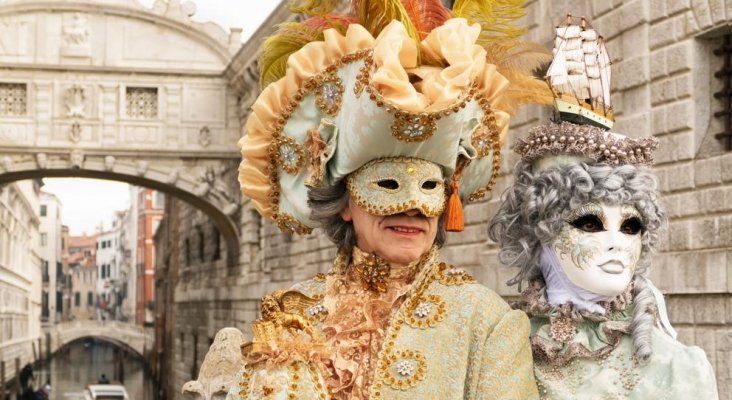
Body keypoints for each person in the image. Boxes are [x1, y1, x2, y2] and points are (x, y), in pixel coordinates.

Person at [220, 1, 552, 399]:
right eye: (389, 185)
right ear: (344, 203)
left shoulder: (486, 322)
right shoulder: (291, 312)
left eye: (431, 188)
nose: (413, 206)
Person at [488, 14, 718, 400]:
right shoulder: (496, 345)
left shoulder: (676, 368)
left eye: (631, 226)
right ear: (537, 231)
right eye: (590, 223)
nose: (617, 242)